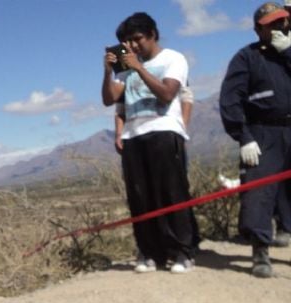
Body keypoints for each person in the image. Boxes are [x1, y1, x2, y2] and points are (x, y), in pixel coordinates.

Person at [102, 12, 198, 274]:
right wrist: (108, 71)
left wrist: (140, 68)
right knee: (141, 198)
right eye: (127, 42)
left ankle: (182, 252)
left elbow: (168, 94)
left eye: (137, 39)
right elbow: (110, 100)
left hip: (164, 131)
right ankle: (150, 252)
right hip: (134, 136)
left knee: (171, 193)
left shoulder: (173, 59)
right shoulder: (125, 70)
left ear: (153, 34)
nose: (132, 46)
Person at [219, 2, 291, 278]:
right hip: (263, 133)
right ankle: (261, 250)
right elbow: (230, 100)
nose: (277, 28)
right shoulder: (246, 57)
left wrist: (289, 53)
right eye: (271, 24)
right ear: (257, 29)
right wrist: (244, 136)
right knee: (259, 193)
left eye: (281, 22)